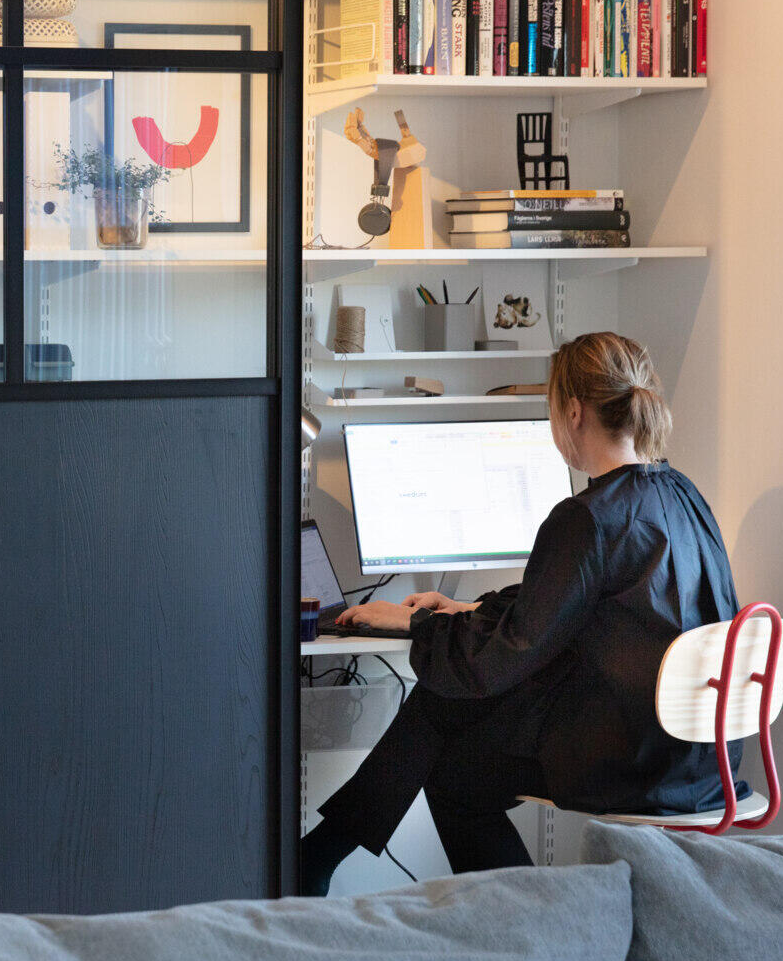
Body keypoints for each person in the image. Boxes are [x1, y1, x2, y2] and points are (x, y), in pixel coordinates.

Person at [299, 331, 748, 897]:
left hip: (632, 760)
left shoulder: (586, 517)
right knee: (453, 729)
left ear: (573, 411)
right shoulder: (681, 493)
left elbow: (501, 657)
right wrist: (465, 610)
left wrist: (418, 624)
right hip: (700, 760)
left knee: (451, 735)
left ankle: (323, 858)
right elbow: (575, 609)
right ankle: (323, 856)